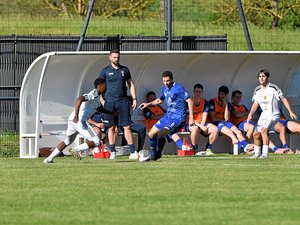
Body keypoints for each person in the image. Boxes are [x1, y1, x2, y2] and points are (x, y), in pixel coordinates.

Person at [43, 78, 107, 163]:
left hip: (72, 120)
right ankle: (75, 149)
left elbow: (98, 108)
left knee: (68, 141)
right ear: (99, 86)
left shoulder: (98, 97)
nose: (106, 87)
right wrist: (76, 115)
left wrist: (112, 113)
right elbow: (79, 99)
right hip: (80, 120)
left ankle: (49, 159)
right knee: (96, 141)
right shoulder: (94, 94)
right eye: (105, 85)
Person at [138, 71, 194, 160]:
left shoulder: (178, 88)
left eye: (167, 81)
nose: (166, 83)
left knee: (163, 133)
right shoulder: (164, 88)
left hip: (178, 117)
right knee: (151, 133)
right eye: (164, 81)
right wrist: (148, 104)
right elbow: (159, 100)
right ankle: (155, 154)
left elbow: (189, 101)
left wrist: (191, 117)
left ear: (171, 79)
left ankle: (158, 154)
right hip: (168, 116)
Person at [247, 69, 297, 159]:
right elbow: (255, 103)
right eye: (260, 76)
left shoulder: (274, 88)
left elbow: (283, 99)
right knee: (256, 134)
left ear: (267, 77)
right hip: (264, 115)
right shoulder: (257, 90)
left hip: (273, 115)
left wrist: (290, 111)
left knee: (263, 131)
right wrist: (250, 113)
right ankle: (257, 154)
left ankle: (265, 154)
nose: (261, 78)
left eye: (263, 76)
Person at [99, 49, 138, 160]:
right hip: (109, 102)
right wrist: (101, 99)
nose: (117, 59)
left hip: (123, 102)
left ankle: (132, 151)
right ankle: (112, 151)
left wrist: (134, 98)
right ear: (110, 57)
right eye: (115, 57)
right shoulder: (105, 71)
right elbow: (100, 86)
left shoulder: (124, 70)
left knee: (127, 126)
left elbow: (130, 84)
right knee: (111, 128)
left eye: (118, 57)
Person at [208, 86, 253, 154]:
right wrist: (223, 120)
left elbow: (227, 118)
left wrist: (226, 105)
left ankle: (246, 146)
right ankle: (245, 148)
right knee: (232, 134)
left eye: (225, 95)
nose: (223, 96)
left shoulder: (228, 104)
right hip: (216, 123)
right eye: (222, 94)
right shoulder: (212, 101)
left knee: (238, 132)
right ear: (218, 93)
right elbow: (213, 118)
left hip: (225, 122)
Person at [188, 83, 218, 156]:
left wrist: (202, 125)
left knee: (215, 129)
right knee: (195, 129)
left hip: (201, 123)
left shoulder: (205, 102)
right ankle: (195, 149)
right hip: (191, 123)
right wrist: (200, 126)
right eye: (196, 91)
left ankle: (208, 149)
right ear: (193, 92)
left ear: (202, 92)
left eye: (199, 91)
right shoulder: (189, 102)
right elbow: (190, 119)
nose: (198, 93)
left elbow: (204, 117)